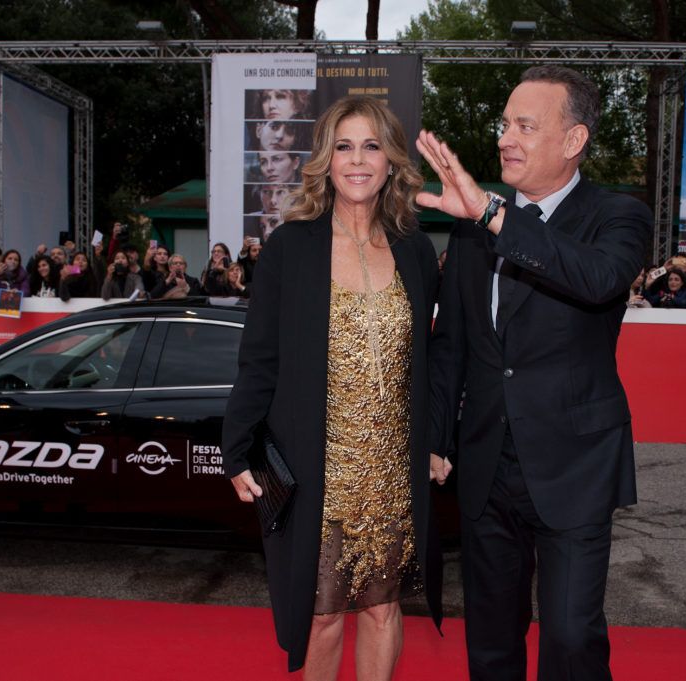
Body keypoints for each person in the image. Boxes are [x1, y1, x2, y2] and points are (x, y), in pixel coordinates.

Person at [417, 65, 652, 681]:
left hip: (575, 464)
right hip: (487, 464)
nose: (505, 138)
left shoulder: (617, 215)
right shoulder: (474, 226)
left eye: (525, 125)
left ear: (573, 141)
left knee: (571, 638)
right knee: (492, 642)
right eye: (504, 124)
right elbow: (454, 345)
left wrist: (493, 215)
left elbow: (597, 280)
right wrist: (438, 437)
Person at [223, 95, 443, 678]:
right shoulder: (289, 248)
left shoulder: (415, 249)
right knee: (319, 615)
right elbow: (259, 358)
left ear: (391, 158)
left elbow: (437, 354)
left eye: (371, 145)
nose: (357, 160)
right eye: (343, 146)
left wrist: (439, 437)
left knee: (383, 607)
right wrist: (237, 444)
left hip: (392, 468)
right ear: (325, 158)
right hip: (316, 463)